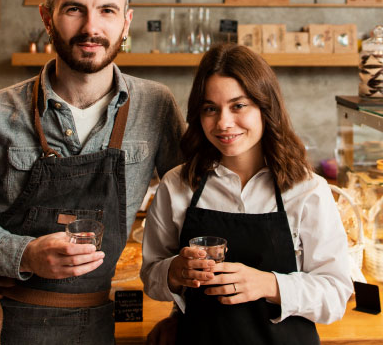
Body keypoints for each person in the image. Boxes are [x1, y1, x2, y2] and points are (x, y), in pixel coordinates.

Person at [0, 0, 184, 345]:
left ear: (126, 21)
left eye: (107, 11)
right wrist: (24, 254)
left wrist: (184, 314)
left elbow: (196, 216)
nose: (91, 28)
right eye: (74, 10)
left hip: (92, 325)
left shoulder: (156, 106)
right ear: (47, 18)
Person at [141, 44, 353, 345]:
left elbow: (335, 295)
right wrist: (174, 271)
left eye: (238, 106)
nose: (224, 123)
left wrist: (269, 284)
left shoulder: (307, 190)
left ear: (265, 107)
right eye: (210, 109)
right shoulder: (177, 185)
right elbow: (151, 277)